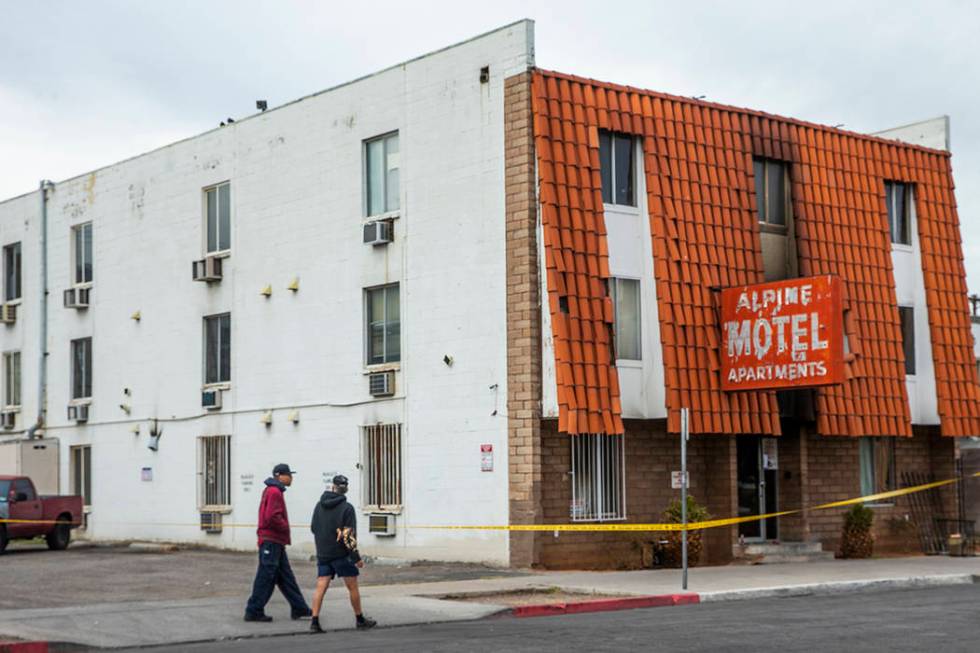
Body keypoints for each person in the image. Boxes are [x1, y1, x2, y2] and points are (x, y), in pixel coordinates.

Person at [243, 463, 313, 622]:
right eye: (289, 474)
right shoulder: (274, 491)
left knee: (286, 577)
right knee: (266, 576)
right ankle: (253, 610)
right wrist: (284, 526)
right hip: (271, 541)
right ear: (279, 475)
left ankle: (300, 609)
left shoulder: (273, 490)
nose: (291, 477)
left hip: (275, 541)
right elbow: (272, 517)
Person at [309, 474, 377, 633]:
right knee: (352, 587)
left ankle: (314, 622)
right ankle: (360, 619)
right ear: (345, 490)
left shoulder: (319, 506)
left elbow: (313, 528)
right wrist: (356, 558)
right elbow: (348, 536)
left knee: (321, 586)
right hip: (341, 555)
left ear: (332, 487)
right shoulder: (347, 508)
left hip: (323, 553)